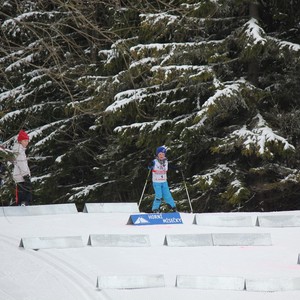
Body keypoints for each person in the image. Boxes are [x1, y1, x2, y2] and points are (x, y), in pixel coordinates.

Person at [148, 146, 177, 213]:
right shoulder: (155, 161)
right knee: (159, 195)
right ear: (157, 154)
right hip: (156, 182)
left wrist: (176, 168)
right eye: (160, 154)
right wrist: (150, 165)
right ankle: (155, 209)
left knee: (167, 194)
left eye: (163, 154)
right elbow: (149, 167)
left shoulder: (166, 161)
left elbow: (169, 167)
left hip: (164, 181)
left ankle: (173, 207)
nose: (161, 156)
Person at [12, 130, 32, 206]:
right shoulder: (19, 151)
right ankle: (23, 205)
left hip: (20, 176)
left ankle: (22, 204)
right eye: (25, 141)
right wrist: (26, 175)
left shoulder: (19, 149)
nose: (26, 142)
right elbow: (22, 164)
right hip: (22, 176)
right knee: (25, 195)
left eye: (27, 141)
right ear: (20, 141)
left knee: (22, 194)